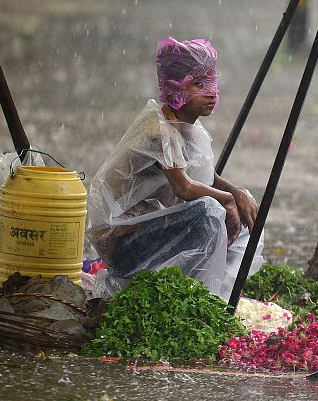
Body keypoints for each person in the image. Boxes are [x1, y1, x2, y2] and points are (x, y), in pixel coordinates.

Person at [86, 37, 263, 299]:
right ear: (174, 88)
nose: (211, 92)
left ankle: (218, 292)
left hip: (154, 230)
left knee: (248, 211)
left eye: (212, 82)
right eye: (199, 84)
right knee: (210, 211)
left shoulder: (188, 127)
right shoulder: (159, 128)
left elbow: (205, 176)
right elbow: (184, 187)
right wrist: (226, 200)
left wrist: (237, 193)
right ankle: (202, 295)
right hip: (123, 245)